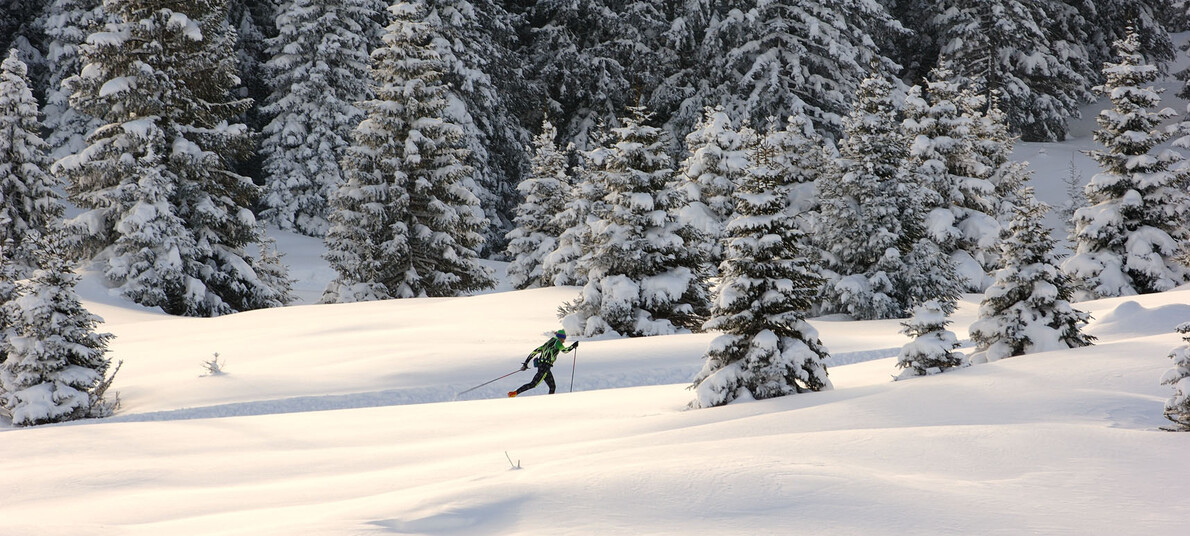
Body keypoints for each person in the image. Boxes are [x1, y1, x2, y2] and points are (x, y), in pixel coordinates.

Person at [509, 329, 578, 397]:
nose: (564, 341)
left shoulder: (547, 343)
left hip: (543, 366)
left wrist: (526, 363)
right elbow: (565, 351)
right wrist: (573, 346)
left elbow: (534, 352)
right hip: (545, 367)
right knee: (533, 384)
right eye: (563, 339)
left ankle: (549, 401)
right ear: (561, 337)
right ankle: (514, 393)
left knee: (552, 386)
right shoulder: (558, 342)